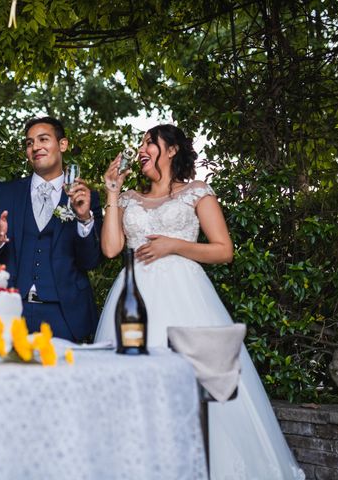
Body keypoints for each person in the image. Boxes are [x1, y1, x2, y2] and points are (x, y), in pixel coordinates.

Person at [95, 124, 304, 479]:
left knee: (197, 387)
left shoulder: (197, 192)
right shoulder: (128, 197)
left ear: (172, 149)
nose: (141, 148)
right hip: (133, 297)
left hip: (185, 298)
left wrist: (174, 245)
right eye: (141, 143)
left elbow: (224, 250)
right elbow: (112, 248)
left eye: (149, 142)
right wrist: (112, 192)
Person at [0, 116, 103, 343]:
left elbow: (91, 261)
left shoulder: (86, 196)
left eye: (43, 139)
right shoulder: (5, 193)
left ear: (62, 144)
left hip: (66, 315)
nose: (35, 147)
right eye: (29, 143)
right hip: (11, 310)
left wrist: (84, 219)